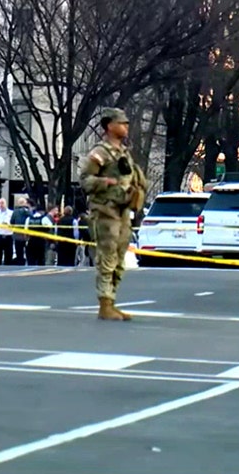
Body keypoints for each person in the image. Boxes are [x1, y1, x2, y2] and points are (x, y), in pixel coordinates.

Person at [78, 108, 148, 321]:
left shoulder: (124, 153)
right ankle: (105, 304)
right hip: (105, 211)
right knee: (107, 257)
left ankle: (112, 300)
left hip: (123, 210)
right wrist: (104, 182)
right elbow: (85, 180)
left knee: (119, 259)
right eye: (122, 123)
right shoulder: (100, 153)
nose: (126, 126)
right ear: (109, 125)